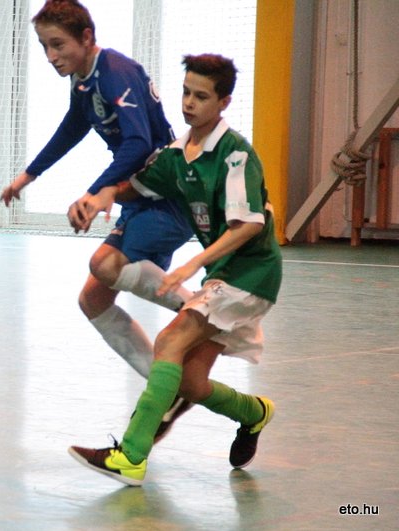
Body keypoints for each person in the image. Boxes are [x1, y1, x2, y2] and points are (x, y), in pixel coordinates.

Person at [67, 53, 282, 486]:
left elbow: (248, 225)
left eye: (202, 96)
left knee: (170, 339)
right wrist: (101, 196)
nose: (189, 103)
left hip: (251, 272)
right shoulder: (176, 156)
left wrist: (192, 263)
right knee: (190, 382)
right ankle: (254, 413)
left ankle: (131, 455)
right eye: (186, 92)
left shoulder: (235, 154)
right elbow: (137, 188)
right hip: (224, 277)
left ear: (223, 102)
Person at [0, 0, 195, 437]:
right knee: (94, 298)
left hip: (166, 192)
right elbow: (73, 126)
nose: (51, 57)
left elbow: (139, 143)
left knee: (103, 266)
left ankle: (204, 311)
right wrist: (27, 176)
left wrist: (96, 192)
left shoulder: (114, 72)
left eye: (58, 45)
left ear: (86, 38)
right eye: (45, 47)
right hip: (141, 193)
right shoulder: (85, 81)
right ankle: (173, 387)